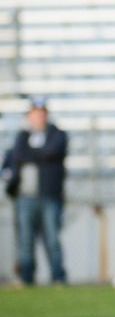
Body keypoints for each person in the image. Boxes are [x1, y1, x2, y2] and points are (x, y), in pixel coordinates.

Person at [10, 98, 68, 285]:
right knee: (25, 240)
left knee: (52, 239)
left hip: (49, 195)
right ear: (29, 116)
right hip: (25, 196)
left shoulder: (57, 134)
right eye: (35, 113)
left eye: (42, 113)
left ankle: (58, 276)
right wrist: (41, 154)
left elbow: (52, 152)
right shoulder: (22, 136)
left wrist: (32, 154)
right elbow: (17, 155)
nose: (39, 117)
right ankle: (26, 277)